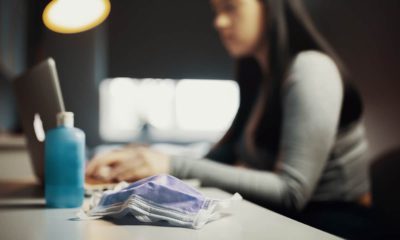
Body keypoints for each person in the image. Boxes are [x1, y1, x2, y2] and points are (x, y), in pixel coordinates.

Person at [86, 0, 371, 237]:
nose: (219, 22)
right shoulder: (259, 76)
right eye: (217, 11)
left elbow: (292, 192)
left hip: (333, 224)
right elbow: (220, 158)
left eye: (231, 8)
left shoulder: (311, 69)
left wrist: (172, 164)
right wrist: (146, 161)